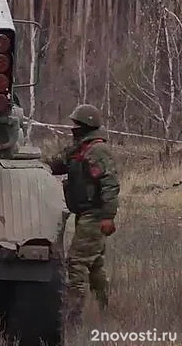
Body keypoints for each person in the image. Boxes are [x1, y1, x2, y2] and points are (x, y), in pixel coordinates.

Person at [45, 104, 120, 326]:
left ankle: (72, 319)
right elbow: (56, 163)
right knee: (95, 264)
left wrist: (108, 216)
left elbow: (110, 185)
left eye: (76, 124)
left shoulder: (97, 151)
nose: (72, 128)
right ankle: (105, 310)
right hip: (85, 214)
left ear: (85, 126)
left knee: (77, 263)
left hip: (95, 215)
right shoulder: (80, 149)